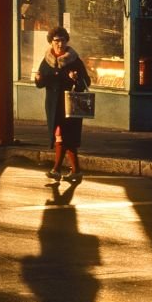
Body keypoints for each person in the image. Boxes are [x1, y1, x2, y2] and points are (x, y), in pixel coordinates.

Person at [35, 26, 90, 184]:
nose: (59, 44)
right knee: (65, 138)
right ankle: (76, 171)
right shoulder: (47, 60)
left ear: (67, 41)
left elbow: (86, 82)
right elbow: (41, 83)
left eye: (62, 40)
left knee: (64, 137)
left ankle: (56, 170)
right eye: (56, 41)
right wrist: (39, 79)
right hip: (53, 105)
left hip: (70, 104)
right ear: (51, 42)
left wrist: (76, 78)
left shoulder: (74, 60)